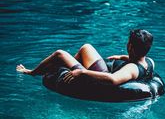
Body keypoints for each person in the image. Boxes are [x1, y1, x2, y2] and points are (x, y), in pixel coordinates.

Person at [16, 29, 154, 86]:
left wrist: (83, 72)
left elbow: (113, 79)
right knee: (86, 47)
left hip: (100, 83)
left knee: (60, 53)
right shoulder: (149, 61)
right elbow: (135, 60)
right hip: (109, 70)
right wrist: (122, 57)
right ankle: (67, 67)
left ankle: (31, 72)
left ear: (130, 46)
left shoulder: (131, 69)